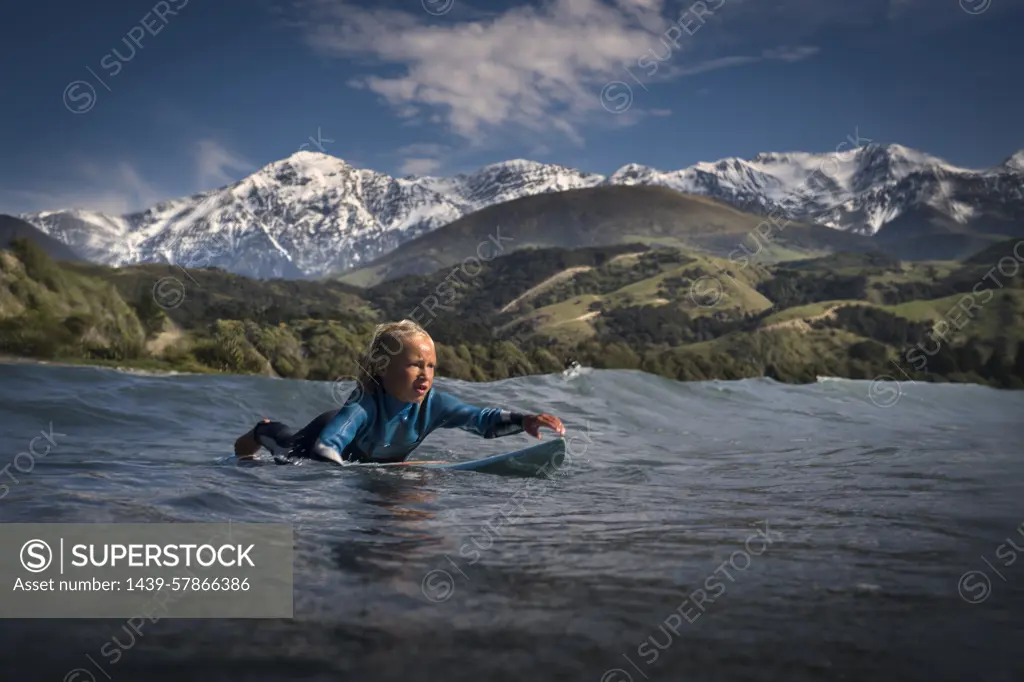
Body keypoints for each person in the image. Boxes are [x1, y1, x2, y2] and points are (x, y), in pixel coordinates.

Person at [233, 320, 565, 464]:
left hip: (367, 459)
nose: (425, 375)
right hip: (314, 439)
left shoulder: (434, 406)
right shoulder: (364, 407)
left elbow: (480, 419)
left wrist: (525, 420)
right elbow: (324, 449)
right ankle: (263, 428)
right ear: (381, 368)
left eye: (431, 366)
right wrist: (359, 475)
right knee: (283, 444)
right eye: (415, 365)